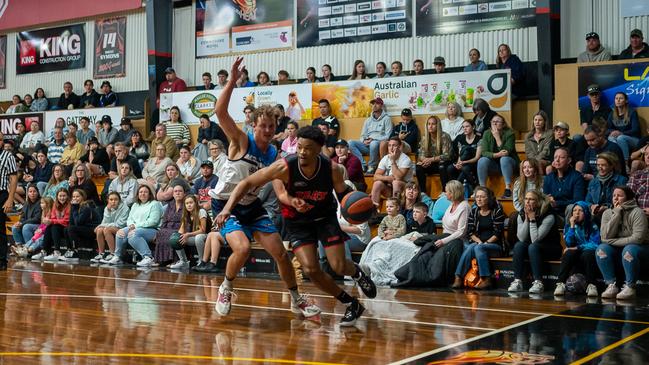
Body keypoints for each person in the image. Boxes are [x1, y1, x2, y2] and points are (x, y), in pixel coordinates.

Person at [216, 125, 376, 326]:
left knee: (339, 265)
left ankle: (357, 273)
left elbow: (345, 196)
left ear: (319, 149)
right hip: (297, 222)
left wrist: (365, 208)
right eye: (299, 147)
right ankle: (351, 303)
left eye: (308, 148)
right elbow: (246, 183)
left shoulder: (333, 169)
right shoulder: (284, 167)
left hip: (324, 219)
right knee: (310, 269)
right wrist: (227, 208)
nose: (302, 152)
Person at [208, 57, 320, 319]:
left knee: (281, 253)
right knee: (243, 249)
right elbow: (220, 112)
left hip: (252, 206)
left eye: (272, 126)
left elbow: (279, 187)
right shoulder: (240, 140)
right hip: (226, 204)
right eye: (264, 126)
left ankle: (295, 299)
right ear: (254, 125)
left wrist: (291, 200)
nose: (269, 130)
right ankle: (226, 287)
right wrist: (233, 82)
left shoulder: (273, 153)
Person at [597, 186, 649, 300]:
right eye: (614, 195)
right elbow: (605, 236)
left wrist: (611, 241)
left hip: (641, 249)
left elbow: (637, 239)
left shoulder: (637, 212)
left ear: (628, 198)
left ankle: (630, 287)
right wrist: (616, 214)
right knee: (601, 249)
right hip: (620, 248)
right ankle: (611, 285)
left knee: (629, 249)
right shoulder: (607, 213)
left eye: (619, 195)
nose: (616, 198)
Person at [452, 186, 505, 289]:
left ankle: (486, 278)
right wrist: (480, 242)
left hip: (495, 246)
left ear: (489, 198)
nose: (479, 199)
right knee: (472, 246)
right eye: (477, 197)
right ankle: (458, 277)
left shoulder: (497, 211)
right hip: (479, 244)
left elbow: (498, 233)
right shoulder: (474, 211)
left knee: (477, 247)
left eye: (482, 197)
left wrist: (486, 243)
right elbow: (470, 232)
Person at [508, 190, 561, 294]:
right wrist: (527, 219)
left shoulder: (548, 215)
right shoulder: (522, 214)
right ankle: (517, 281)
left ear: (538, 202)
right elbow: (522, 238)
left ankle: (538, 282)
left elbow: (535, 239)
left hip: (551, 248)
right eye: (526, 199)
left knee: (533, 246)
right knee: (519, 245)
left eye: (531, 199)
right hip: (532, 247)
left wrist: (532, 220)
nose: (527, 202)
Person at [108, 183, 163, 267]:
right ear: (137, 194)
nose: (143, 194)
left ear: (149, 194)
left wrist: (135, 227)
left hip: (152, 230)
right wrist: (131, 226)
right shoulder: (135, 205)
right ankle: (118, 257)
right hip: (136, 228)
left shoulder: (155, 204)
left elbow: (153, 221)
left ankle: (148, 257)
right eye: (140, 192)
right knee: (120, 232)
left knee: (133, 234)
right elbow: (130, 219)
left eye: (145, 192)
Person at [554, 201, 601, 297]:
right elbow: (569, 243)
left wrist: (578, 247)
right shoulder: (569, 226)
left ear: (586, 213)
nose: (577, 213)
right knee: (568, 254)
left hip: (588, 253)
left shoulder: (592, 225)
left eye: (580, 210)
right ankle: (560, 284)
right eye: (574, 210)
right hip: (576, 253)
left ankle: (592, 285)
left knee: (588, 254)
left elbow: (595, 244)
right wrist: (571, 226)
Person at [477, 114, 519, 199]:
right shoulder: (487, 133)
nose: (495, 124)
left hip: (509, 163)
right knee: (482, 160)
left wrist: (497, 138)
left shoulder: (510, 133)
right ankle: (483, 189)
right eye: (493, 122)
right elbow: (484, 152)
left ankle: (508, 189)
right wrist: (496, 155)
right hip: (494, 164)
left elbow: (506, 151)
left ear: (503, 124)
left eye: (497, 122)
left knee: (504, 159)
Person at [348, 97, 392, 173]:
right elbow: (362, 135)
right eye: (373, 104)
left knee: (374, 143)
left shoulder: (387, 119)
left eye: (377, 103)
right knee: (350, 143)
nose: (374, 105)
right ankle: (363, 164)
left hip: (377, 146)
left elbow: (388, 136)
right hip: (367, 145)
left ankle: (372, 166)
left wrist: (373, 139)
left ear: (381, 105)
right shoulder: (368, 120)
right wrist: (364, 141)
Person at [370, 137, 414, 211]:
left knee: (396, 182)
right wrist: (387, 178)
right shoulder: (385, 158)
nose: (391, 148)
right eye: (389, 145)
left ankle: (396, 211)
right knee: (377, 183)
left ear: (399, 147)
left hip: (404, 189)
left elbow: (398, 177)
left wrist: (393, 161)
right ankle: (373, 212)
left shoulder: (405, 159)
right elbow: (376, 176)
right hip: (390, 188)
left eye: (394, 145)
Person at [585, 152, 627, 223]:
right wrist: (592, 206)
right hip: (595, 213)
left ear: (611, 166)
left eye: (603, 165)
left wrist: (607, 208)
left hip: (613, 213)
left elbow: (623, 203)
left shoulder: (621, 180)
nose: (600, 168)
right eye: (598, 165)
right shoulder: (594, 181)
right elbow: (587, 201)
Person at [169, 194, 209, 269]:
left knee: (198, 237)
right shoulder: (186, 214)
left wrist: (188, 234)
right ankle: (183, 262)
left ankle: (202, 261)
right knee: (176, 238)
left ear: (195, 203)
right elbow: (181, 230)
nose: (189, 205)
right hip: (195, 236)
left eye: (191, 203)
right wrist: (178, 237)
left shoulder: (201, 211)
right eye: (187, 203)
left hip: (207, 235)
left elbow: (203, 230)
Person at [543, 148, 585, 216]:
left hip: (569, 213)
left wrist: (557, 203)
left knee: (570, 207)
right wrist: (548, 200)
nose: (557, 160)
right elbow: (545, 197)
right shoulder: (548, 177)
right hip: (552, 213)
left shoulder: (577, 176)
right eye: (555, 157)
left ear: (569, 160)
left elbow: (578, 200)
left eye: (561, 157)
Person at [31, 188, 70, 261]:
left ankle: (57, 252)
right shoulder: (55, 204)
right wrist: (49, 221)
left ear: (67, 196)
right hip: (58, 227)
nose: (62, 198)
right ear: (57, 197)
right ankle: (44, 251)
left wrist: (51, 221)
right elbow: (53, 217)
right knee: (50, 227)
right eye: (60, 196)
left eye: (64, 196)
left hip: (66, 228)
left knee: (54, 226)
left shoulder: (69, 206)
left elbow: (66, 221)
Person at [416, 115, 452, 193]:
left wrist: (431, 159)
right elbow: (421, 154)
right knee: (418, 167)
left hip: (443, 163)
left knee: (442, 166)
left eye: (433, 124)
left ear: (437, 125)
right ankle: (423, 192)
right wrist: (424, 161)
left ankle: (444, 191)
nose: (430, 126)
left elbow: (447, 155)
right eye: (429, 124)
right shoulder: (425, 137)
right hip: (431, 163)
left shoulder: (444, 136)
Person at [92, 191, 129, 264]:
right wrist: (109, 212)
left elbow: (121, 224)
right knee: (99, 230)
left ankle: (113, 254)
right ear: (108, 200)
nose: (113, 201)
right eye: (111, 199)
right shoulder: (107, 208)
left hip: (123, 229)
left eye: (116, 199)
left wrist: (103, 225)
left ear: (119, 200)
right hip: (112, 228)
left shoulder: (125, 208)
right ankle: (101, 254)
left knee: (106, 229)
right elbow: (104, 222)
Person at [63, 189, 100, 261]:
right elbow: (72, 222)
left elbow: (78, 222)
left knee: (71, 229)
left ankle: (75, 251)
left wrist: (74, 208)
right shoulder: (76, 206)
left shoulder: (86, 207)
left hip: (92, 229)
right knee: (66, 228)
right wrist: (73, 208)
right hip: (83, 228)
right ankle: (70, 250)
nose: (75, 198)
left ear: (83, 197)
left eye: (77, 196)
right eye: (73, 197)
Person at [447, 120, 481, 192]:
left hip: (474, 162)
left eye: (467, 126)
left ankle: (473, 188)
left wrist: (464, 162)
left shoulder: (479, 138)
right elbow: (460, 154)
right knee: (450, 168)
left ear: (473, 127)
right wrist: (459, 163)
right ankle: (453, 188)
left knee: (465, 168)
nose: (464, 129)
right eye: (463, 127)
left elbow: (477, 157)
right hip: (463, 161)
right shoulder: (460, 138)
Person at [607, 91, 640, 163]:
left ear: (626, 101)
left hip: (634, 139)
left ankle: (625, 163)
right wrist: (612, 132)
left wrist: (621, 133)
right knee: (610, 138)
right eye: (616, 98)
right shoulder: (612, 113)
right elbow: (607, 129)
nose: (618, 100)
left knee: (621, 138)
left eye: (621, 98)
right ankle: (614, 162)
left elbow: (635, 130)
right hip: (619, 138)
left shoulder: (632, 112)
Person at [10, 184, 41, 250]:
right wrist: (19, 222)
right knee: (15, 227)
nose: (32, 193)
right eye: (30, 191)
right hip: (26, 223)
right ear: (28, 194)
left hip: (39, 225)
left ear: (38, 193)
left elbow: (37, 219)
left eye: (34, 191)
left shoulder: (41, 202)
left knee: (26, 227)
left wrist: (23, 223)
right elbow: (22, 217)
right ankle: (19, 248)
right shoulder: (26, 203)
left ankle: (28, 248)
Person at [628, 151, 649, 216]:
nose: (648, 157)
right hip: (638, 215)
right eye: (646, 154)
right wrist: (638, 212)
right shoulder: (637, 175)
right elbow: (629, 196)